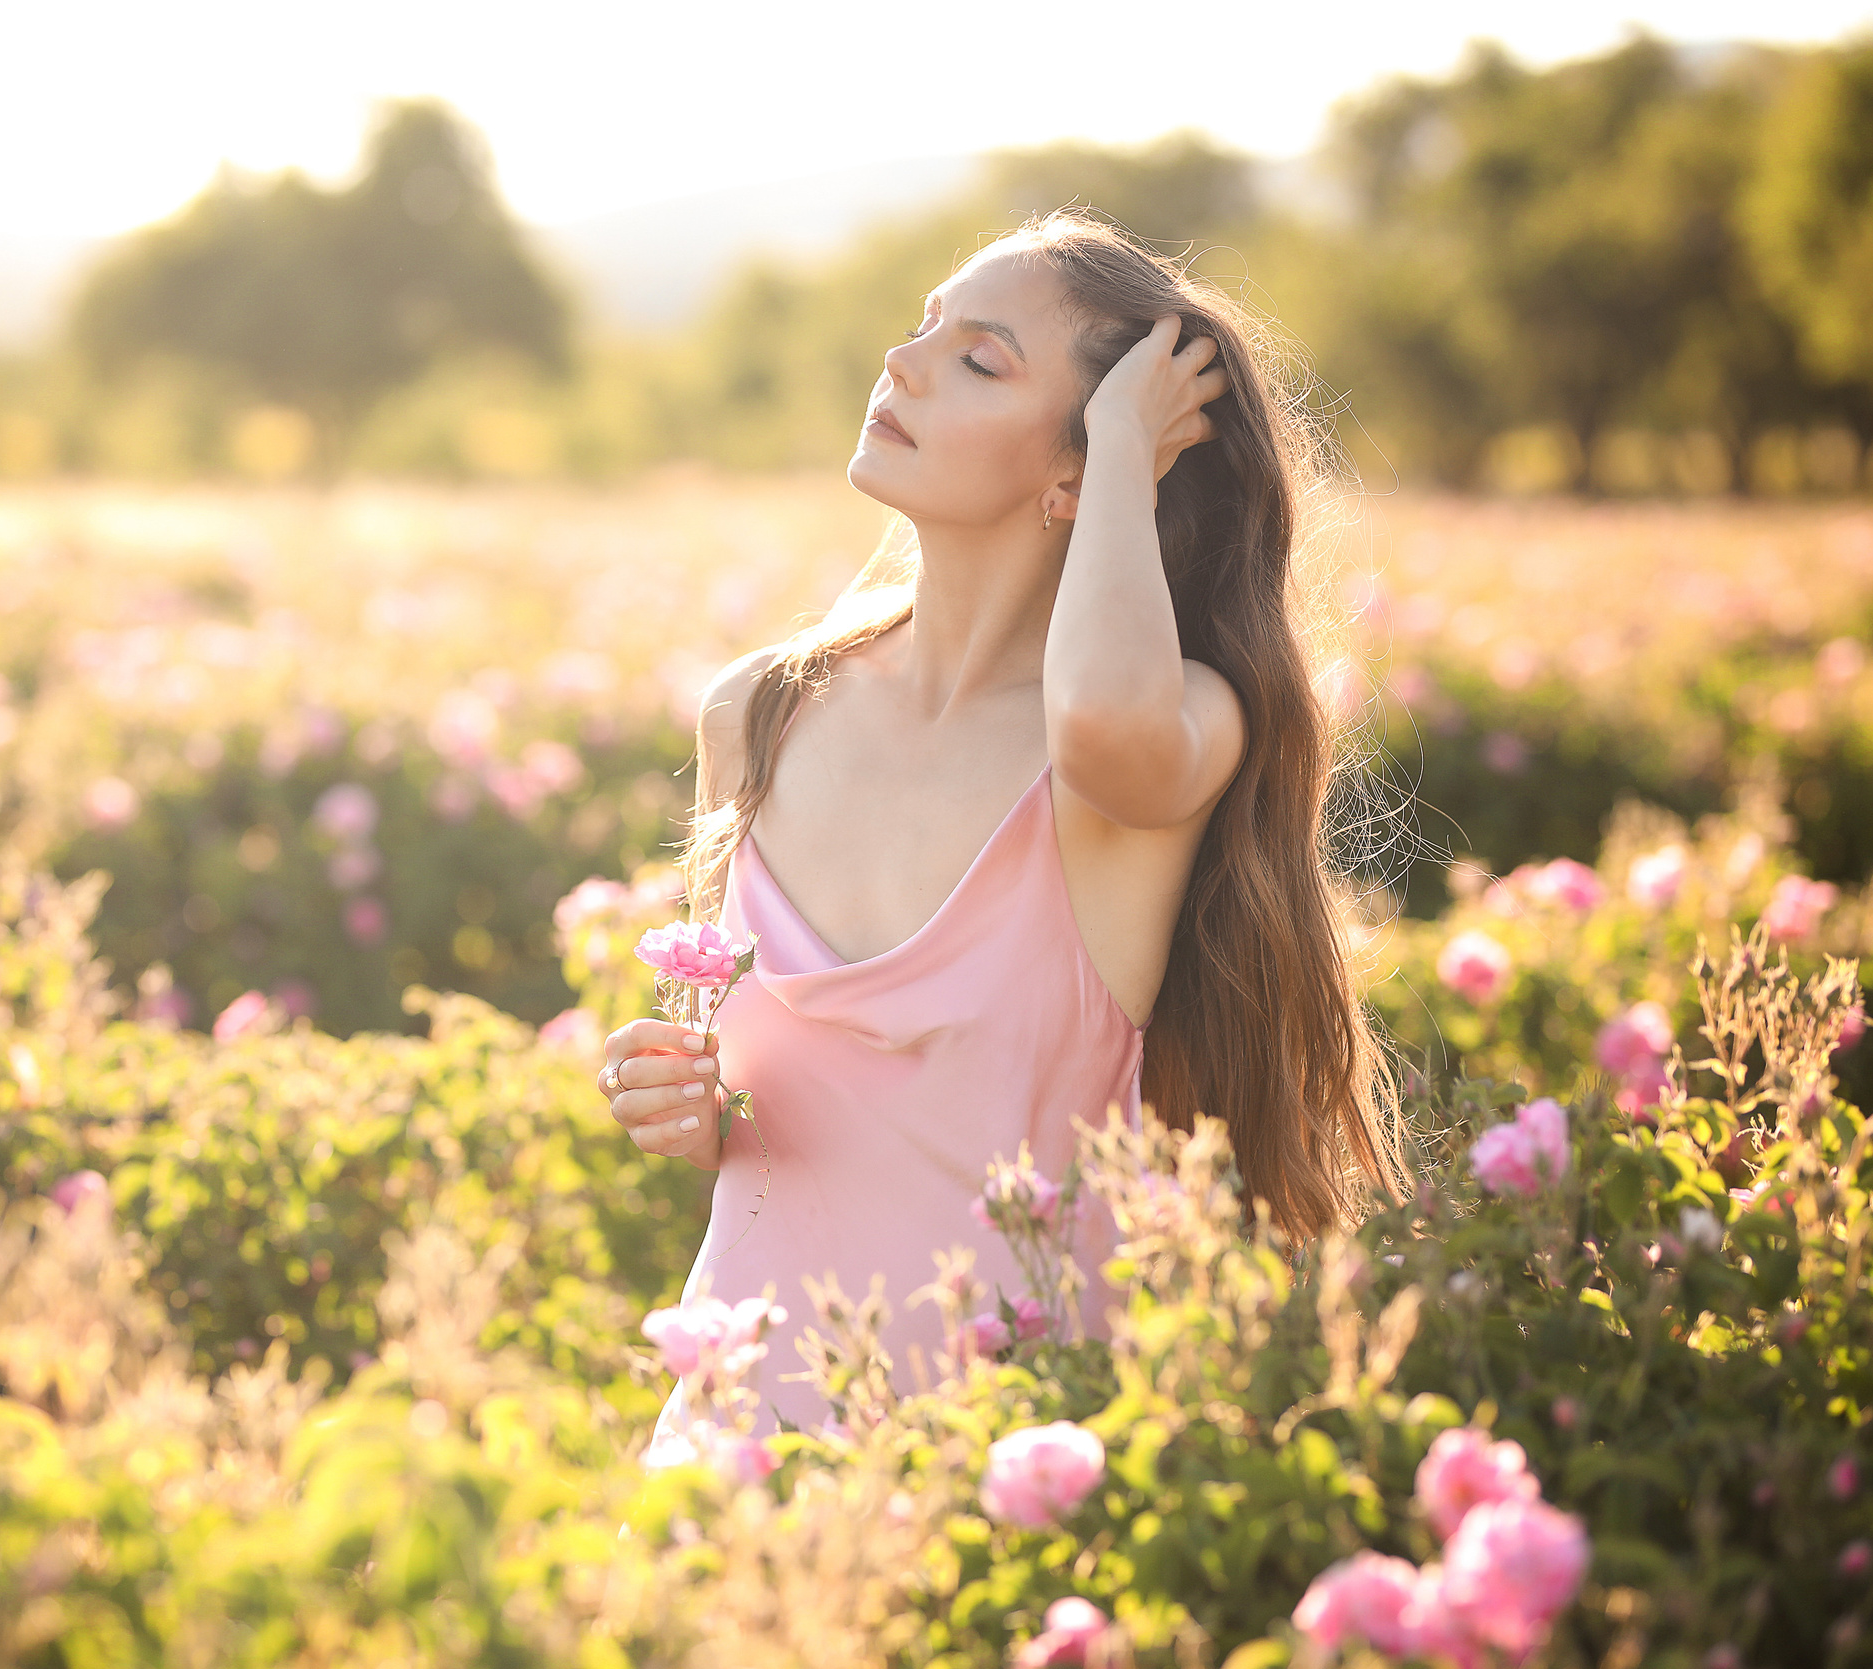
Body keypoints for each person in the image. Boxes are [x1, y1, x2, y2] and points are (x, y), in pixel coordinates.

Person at [593, 212, 1413, 1436]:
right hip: (735, 1457)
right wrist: (686, 1106)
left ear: (1075, 471)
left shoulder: (1161, 733)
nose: (904, 363)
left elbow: (1100, 724)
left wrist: (1127, 448)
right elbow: (758, 1108)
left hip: (1010, 1483)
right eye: (923, 328)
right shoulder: (758, 713)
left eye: (979, 360)